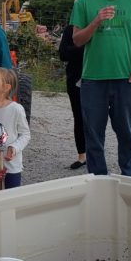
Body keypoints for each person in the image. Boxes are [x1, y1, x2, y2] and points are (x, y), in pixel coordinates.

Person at [70, 0, 131, 176]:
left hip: (126, 78)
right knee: (94, 135)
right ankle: (98, 180)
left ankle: (129, 178)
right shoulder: (85, 2)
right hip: (93, 80)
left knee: (127, 133)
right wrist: (96, 21)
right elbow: (77, 40)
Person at [0, 67, 31, 189]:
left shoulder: (16, 109)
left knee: (10, 200)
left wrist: (14, 147)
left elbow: (25, 134)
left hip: (10, 166)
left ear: (6, 88)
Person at [57, 22, 86, 170]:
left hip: (97, 79)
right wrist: (82, 48)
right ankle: (82, 156)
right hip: (75, 79)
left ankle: (96, 154)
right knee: (79, 117)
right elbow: (63, 53)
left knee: (96, 119)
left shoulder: (98, 26)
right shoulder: (70, 28)